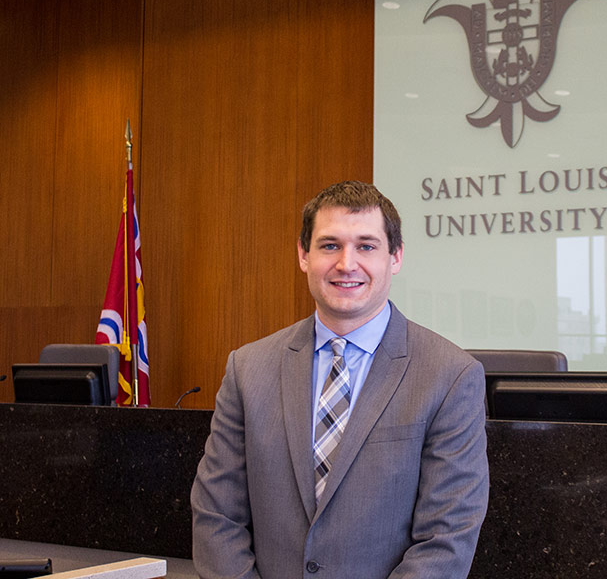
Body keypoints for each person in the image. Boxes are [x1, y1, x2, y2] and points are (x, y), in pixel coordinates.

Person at [191, 181, 489, 579]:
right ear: (303, 255)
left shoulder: (450, 375)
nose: (347, 264)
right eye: (330, 245)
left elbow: (447, 536)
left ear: (395, 257)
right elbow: (217, 515)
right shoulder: (248, 368)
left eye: (366, 246)